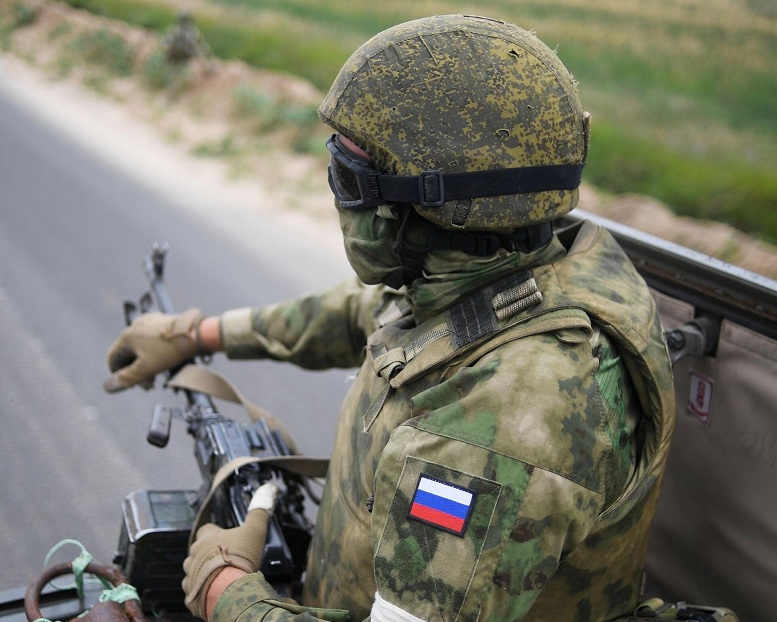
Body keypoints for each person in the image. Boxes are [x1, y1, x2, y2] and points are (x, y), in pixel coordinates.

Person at [104, 15, 675, 621]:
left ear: (431, 207)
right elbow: (372, 313)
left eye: (351, 178)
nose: (337, 195)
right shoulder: (516, 263)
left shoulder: (503, 417)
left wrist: (226, 590)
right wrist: (198, 334)